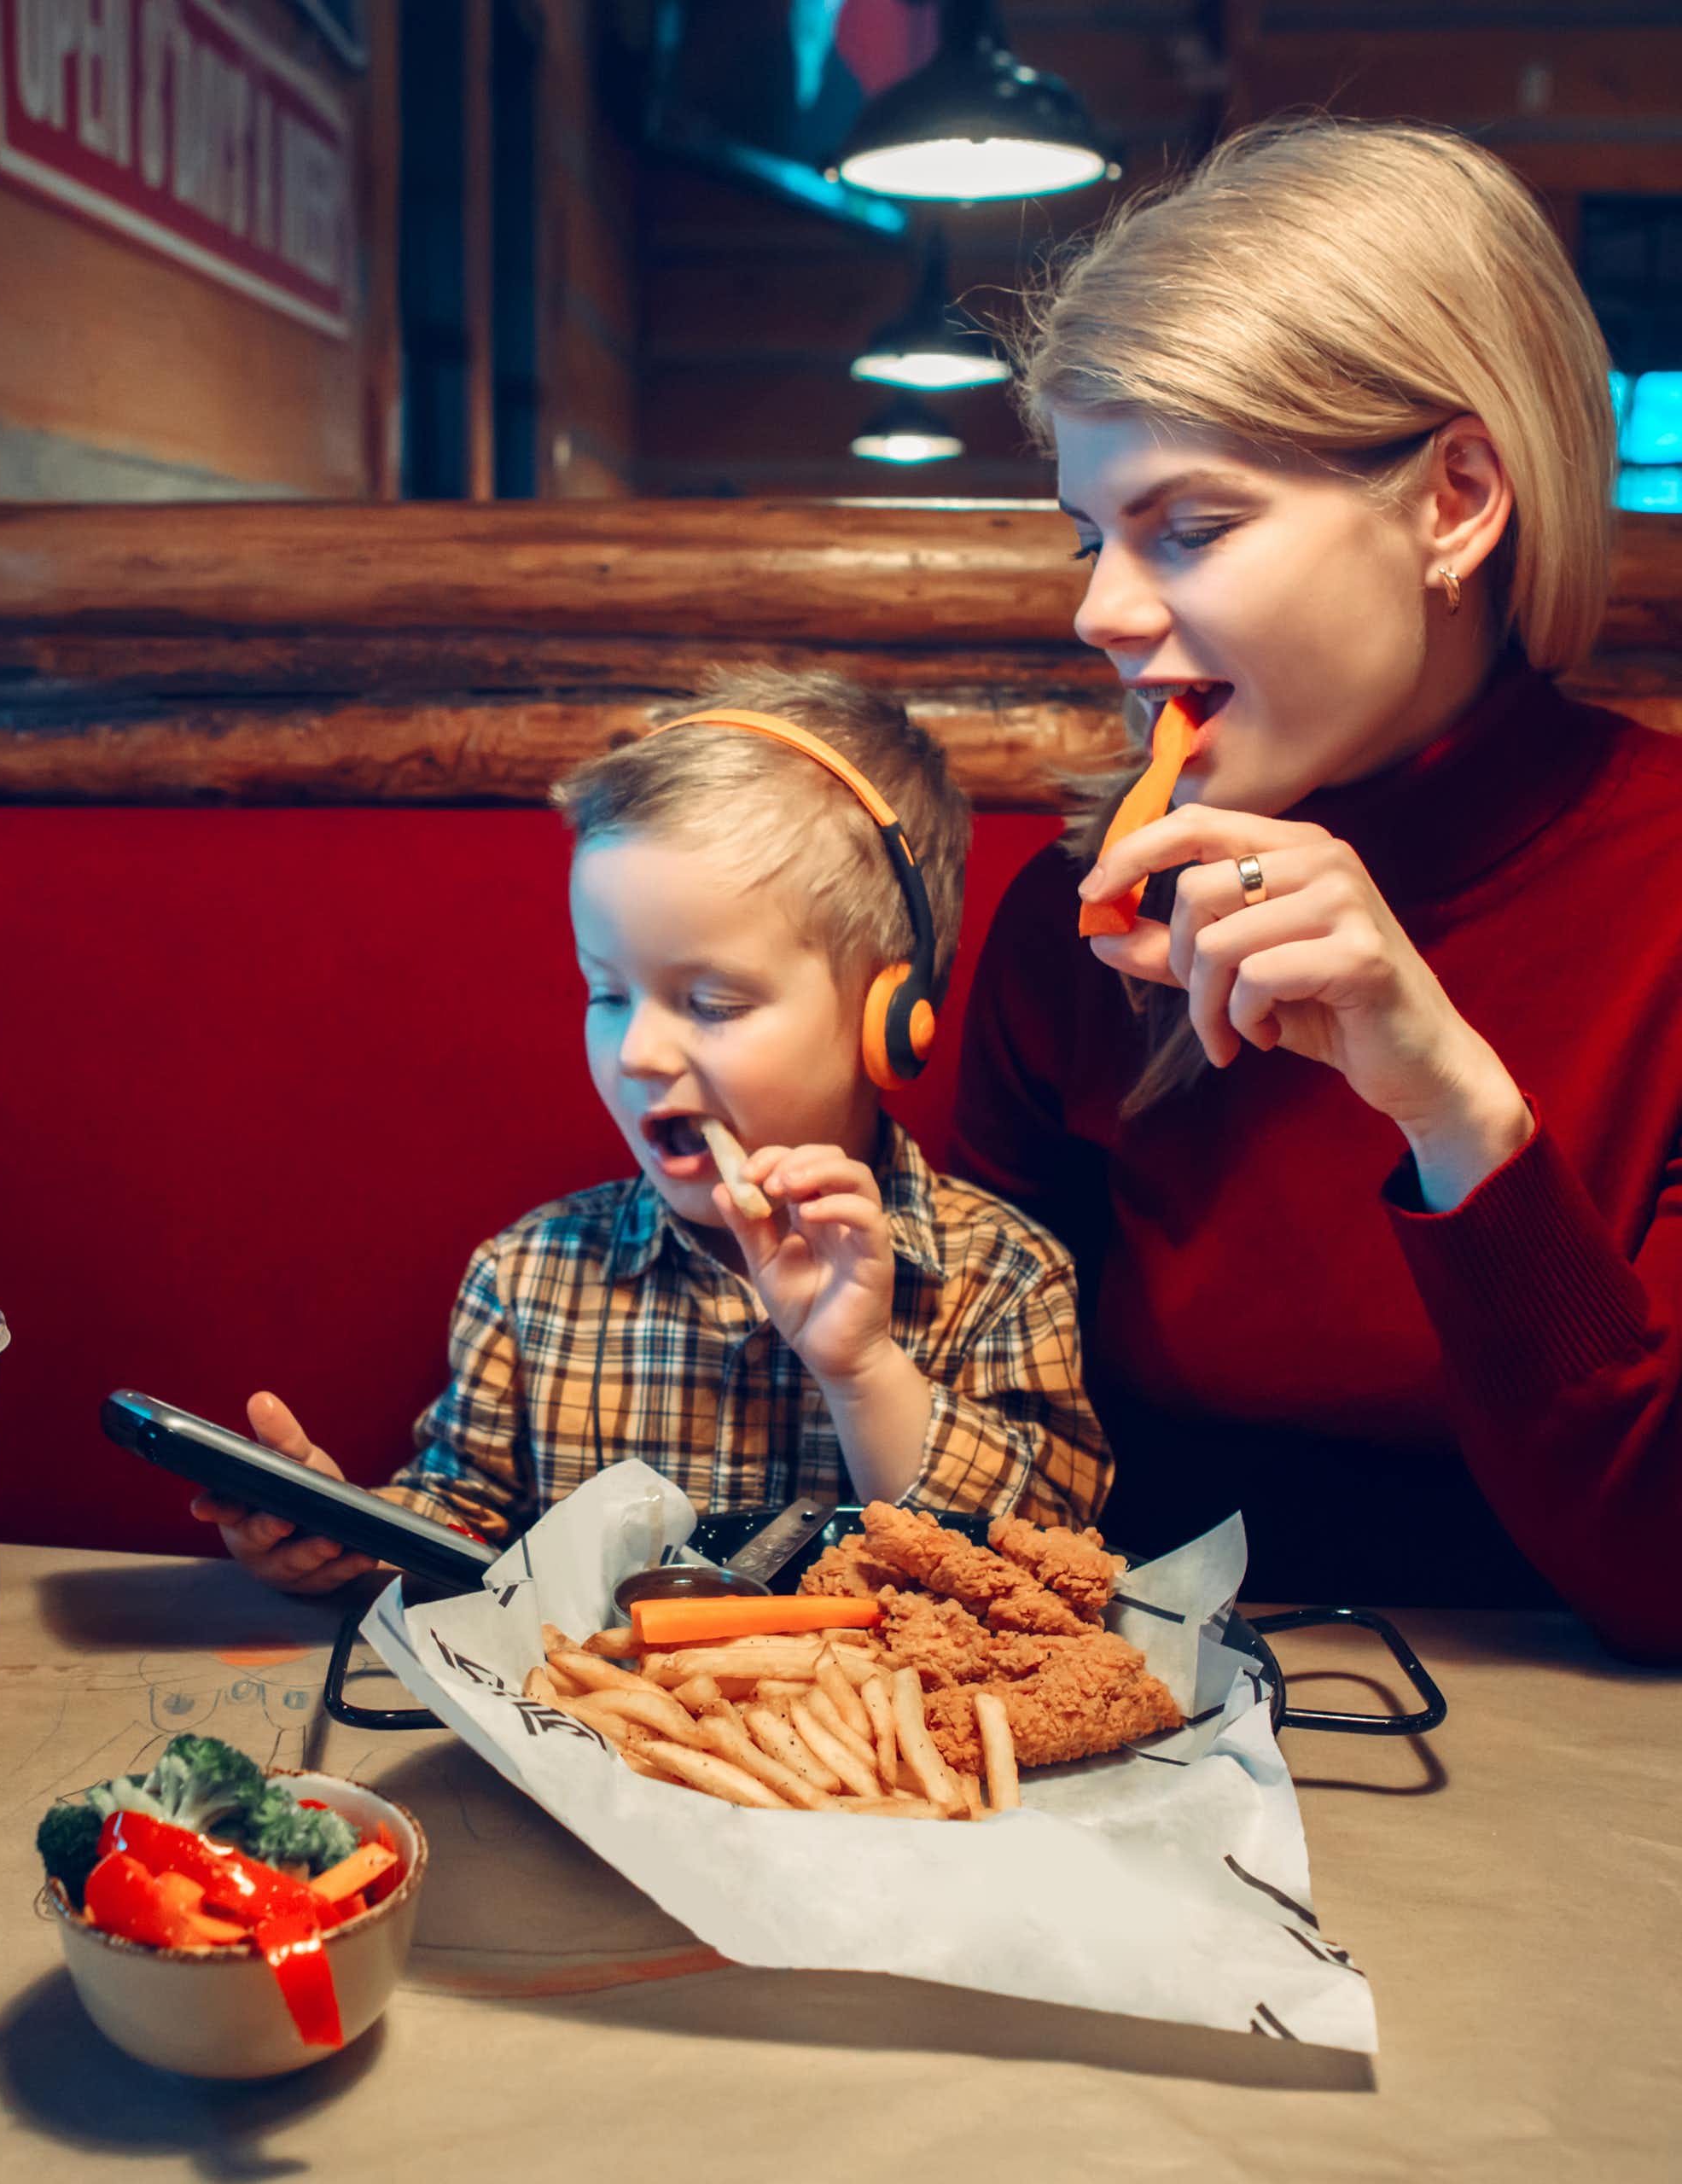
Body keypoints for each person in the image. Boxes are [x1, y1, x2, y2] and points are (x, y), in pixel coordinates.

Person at [949, 116, 1682, 1659]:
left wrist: (1453, 1110)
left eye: (1191, 526)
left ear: (1457, 501)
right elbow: (992, 1488)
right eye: (1091, 533)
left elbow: (1663, 1574)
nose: (1099, 606)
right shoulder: (1074, 936)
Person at [200, 669, 1110, 1593]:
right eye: (607, 993)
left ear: (892, 1018)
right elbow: (462, 1533)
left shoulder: (1002, 1279)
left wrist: (864, 1370)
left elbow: (1044, 1577)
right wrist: (343, 1534)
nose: (636, 1049)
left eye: (709, 1002)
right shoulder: (526, 1280)